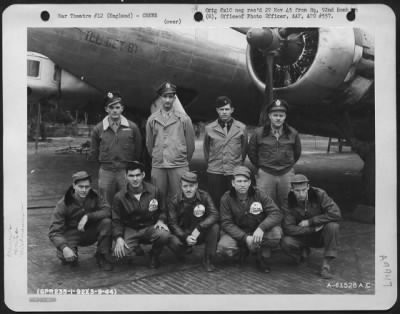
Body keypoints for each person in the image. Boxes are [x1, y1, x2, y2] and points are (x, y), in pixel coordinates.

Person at [217, 166, 283, 273]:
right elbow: (226, 223)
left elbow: (276, 213)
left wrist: (262, 228)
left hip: (257, 231)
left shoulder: (259, 194)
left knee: (276, 235)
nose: (242, 184)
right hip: (237, 233)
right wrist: (245, 238)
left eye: (245, 181)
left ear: (249, 182)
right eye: (239, 181)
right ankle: (242, 251)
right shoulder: (226, 198)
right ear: (233, 183)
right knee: (224, 247)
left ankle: (260, 255)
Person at [48, 171, 113, 271]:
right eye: (80, 186)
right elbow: (54, 232)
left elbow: (107, 210)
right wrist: (64, 247)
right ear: (74, 186)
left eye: (87, 187)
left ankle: (102, 255)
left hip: (90, 231)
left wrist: (88, 216)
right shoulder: (63, 204)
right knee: (67, 258)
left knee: (107, 222)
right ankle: (71, 252)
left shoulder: (94, 195)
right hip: (72, 234)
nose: (84, 190)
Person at [111, 161, 171, 268]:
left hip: (149, 227)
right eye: (131, 175)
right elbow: (116, 220)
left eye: (138, 175)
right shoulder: (119, 197)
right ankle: (135, 248)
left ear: (143, 175)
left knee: (164, 234)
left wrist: (161, 220)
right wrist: (119, 237)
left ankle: (154, 255)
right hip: (131, 229)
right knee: (121, 255)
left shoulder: (155, 191)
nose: (135, 179)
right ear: (126, 176)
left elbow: (163, 209)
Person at [280, 174, 342, 279]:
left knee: (333, 226)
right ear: (291, 190)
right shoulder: (287, 201)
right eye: (297, 191)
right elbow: (288, 228)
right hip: (303, 235)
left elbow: (336, 214)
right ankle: (301, 253)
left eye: (304, 190)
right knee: (286, 242)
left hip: (321, 235)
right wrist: (312, 229)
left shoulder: (320, 194)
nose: (301, 194)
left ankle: (326, 266)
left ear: (308, 187)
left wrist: (310, 221)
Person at [89, 91, 142, 205]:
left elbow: (138, 150)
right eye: (111, 107)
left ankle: (125, 222)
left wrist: (131, 167)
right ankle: (108, 221)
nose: (114, 110)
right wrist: (104, 165)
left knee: (127, 200)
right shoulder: (98, 129)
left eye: (117, 107)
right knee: (105, 202)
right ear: (106, 109)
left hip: (125, 171)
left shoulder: (132, 127)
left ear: (122, 108)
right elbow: (94, 151)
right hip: (106, 171)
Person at [145, 81, 195, 201]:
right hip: (159, 165)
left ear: (174, 98)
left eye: (171, 97)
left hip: (179, 165)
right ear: (161, 98)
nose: (167, 100)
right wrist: (158, 157)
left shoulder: (184, 119)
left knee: (179, 198)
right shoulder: (152, 119)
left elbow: (190, 145)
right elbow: (149, 144)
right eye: (165, 96)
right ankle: (160, 219)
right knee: (158, 197)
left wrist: (180, 159)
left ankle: (177, 220)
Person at [248, 99, 301, 208]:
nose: (278, 118)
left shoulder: (293, 133)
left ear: (285, 117)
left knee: (287, 203)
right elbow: (252, 152)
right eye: (275, 115)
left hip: (286, 173)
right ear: (269, 116)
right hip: (266, 173)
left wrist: (287, 165)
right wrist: (261, 167)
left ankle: (286, 224)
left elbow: (297, 153)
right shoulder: (258, 133)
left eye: (281, 115)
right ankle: (268, 224)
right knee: (265, 202)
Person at [167, 171, 220, 272]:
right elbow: (172, 223)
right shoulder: (173, 200)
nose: (188, 189)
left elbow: (215, 214)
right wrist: (185, 237)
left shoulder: (205, 196)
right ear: (181, 186)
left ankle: (208, 259)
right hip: (182, 234)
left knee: (215, 227)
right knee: (170, 239)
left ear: (196, 185)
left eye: (191, 186)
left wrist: (200, 226)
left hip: (199, 232)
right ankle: (181, 252)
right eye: (185, 186)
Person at [203, 96, 248, 208]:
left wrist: (237, 164)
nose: (224, 112)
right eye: (221, 109)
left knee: (234, 202)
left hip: (233, 171)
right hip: (215, 171)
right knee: (215, 202)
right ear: (217, 110)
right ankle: (217, 224)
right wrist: (213, 164)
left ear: (232, 110)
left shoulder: (241, 127)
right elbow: (206, 149)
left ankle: (231, 224)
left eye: (227, 109)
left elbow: (244, 149)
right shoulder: (209, 128)